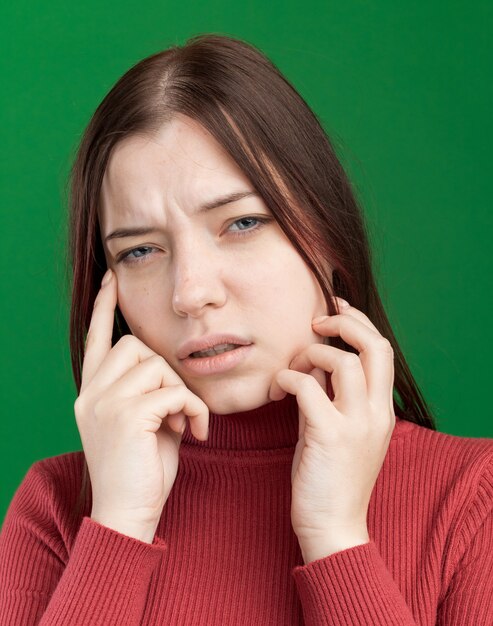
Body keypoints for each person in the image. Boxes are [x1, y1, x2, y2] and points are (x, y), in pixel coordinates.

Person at [0, 33, 491, 626]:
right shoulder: (57, 508)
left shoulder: (468, 499)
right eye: (140, 251)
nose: (190, 293)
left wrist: (337, 540)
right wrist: (117, 530)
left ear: (325, 231)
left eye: (243, 222)